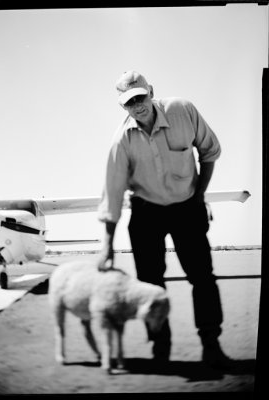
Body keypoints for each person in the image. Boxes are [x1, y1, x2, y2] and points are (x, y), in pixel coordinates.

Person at [97, 70, 233, 369]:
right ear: (123, 106)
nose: (138, 105)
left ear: (151, 92)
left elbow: (210, 150)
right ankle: (161, 347)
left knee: (203, 278)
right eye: (129, 102)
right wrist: (106, 246)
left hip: (187, 208)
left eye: (141, 97)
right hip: (147, 213)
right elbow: (113, 193)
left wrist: (200, 195)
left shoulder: (182, 110)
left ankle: (212, 344)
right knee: (150, 284)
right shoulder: (122, 141)